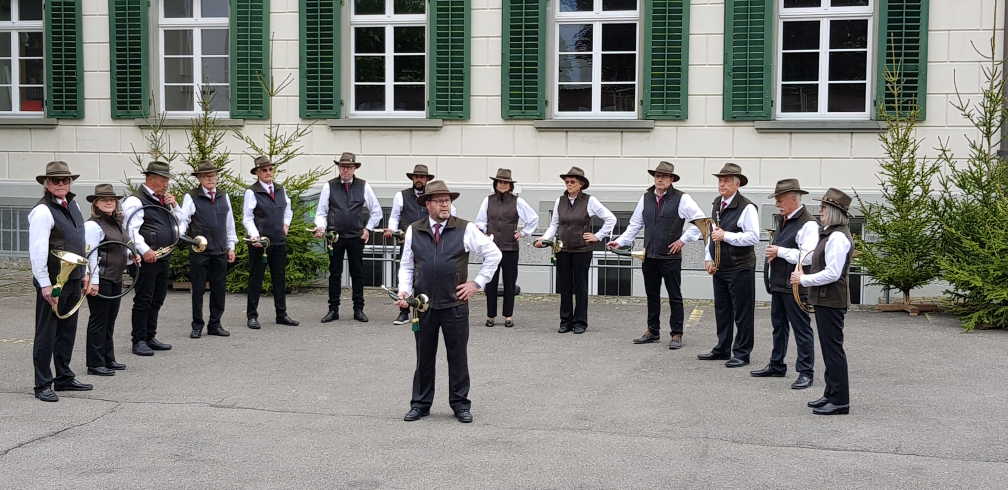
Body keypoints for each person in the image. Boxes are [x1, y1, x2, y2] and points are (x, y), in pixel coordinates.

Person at [396, 181, 502, 423]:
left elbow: (494, 253)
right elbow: (407, 265)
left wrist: (477, 284)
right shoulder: (415, 229)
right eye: (439, 201)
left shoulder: (464, 228)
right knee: (424, 357)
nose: (445, 204)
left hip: (455, 305)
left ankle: (460, 404)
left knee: (457, 356)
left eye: (447, 200)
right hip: (422, 306)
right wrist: (404, 291)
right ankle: (420, 404)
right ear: (428, 205)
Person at [606, 161, 705, 349]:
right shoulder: (646, 198)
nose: (660, 179)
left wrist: (683, 240)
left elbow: (700, 223)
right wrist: (620, 241)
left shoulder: (682, 199)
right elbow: (635, 224)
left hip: (670, 256)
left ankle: (676, 334)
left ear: (671, 179)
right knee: (652, 294)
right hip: (649, 255)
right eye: (657, 176)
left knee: (674, 296)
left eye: (664, 176)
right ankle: (653, 330)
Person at [27, 161, 93, 402]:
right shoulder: (42, 211)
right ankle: (42, 383)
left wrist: (85, 274)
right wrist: (45, 283)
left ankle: (64, 377)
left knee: (67, 331)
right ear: (47, 183)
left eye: (65, 180)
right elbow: (37, 251)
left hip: (74, 278)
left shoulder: (73, 205)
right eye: (56, 180)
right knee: (47, 332)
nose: (62, 184)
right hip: (54, 281)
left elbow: (79, 241)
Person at [792, 188, 856, 416]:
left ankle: (839, 400)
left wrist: (804, 278)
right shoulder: (830, 233)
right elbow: (817, 260)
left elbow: (833, 273)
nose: (819, 211)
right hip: (825, 299)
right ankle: (831, 393)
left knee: (833, 350)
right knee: (829, 350)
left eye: (823, 208)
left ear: (833, 212)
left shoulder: (838, 236)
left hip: (832, 300)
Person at [751, 179, 819, 389]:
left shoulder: (808, 223)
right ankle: (777, 364)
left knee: (801, 329)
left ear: (793, 199)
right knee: (778, 327)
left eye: (780, 200)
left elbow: (808, 257)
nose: (777, 204)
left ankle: (806, 371)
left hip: (797, 285)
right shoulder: (785, 220)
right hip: (780, 282)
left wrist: (779, 252)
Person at [536, 167, 616, 334]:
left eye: (573, 182)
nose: (569, 184)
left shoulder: (589, 201)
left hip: (582, 249)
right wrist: (544, 239)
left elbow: (610, 218)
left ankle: (580, 321)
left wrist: (598, 236)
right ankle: (565, 321)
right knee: (565, 285)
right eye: (567, 182)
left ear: (580, 184)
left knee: (580, 285)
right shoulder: (560, 201)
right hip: (562, 249)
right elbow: (554, 224)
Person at [698, 163, 759, 368]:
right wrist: (709, 258)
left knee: (742, 312)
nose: (721, 184)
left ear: (737, 184)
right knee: (722, 310)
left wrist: (727, 236)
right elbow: (710, 233)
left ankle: (742, 353)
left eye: (726, 181)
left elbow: (753, 237)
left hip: (741, 266)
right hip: (720, 266)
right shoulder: (717, 203)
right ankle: (723, 347)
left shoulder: (747, 207)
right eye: (720, 181)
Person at [314, 152, 383, 323]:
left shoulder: (363, 186)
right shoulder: (329, 186)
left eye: (349, 167)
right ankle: (333, 309)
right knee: (335, 273)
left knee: (357, 273)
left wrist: (368, 229)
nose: (345, 170)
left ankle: (358, 309)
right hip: (335, 236)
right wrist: (321, 227)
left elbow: (377, 211)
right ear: (339, 168)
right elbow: (321, 211)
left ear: (354, 169)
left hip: (355, 236)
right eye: (343, 167)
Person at [386, 164, 456, 325]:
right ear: (412, 178)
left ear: (427, 179)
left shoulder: (433, 197)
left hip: (429, 241)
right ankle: (404, 311)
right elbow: (395, 216)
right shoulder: (401, 195)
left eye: (422, 177)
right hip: (409, 240)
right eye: (416, 177)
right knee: (406, 272)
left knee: (425, 274)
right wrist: (392, 229)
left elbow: (452, 212)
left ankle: (426, 308)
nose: (419, 180)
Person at [123, 161, 181, 356]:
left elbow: (180, 224)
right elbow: (130, 230)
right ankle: (138, 339)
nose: (165, 184)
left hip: (162, 257)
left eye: (167, 180)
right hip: (145, 259)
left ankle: (150, 336)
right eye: (162, 180)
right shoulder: (136, 200)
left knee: (157, 298)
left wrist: (175, 205)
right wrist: (145, 250)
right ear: (150, 179)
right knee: (144, 299)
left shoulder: (163, 200)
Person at [177, 161, 238, 339]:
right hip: (200, 251)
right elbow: (184, 220)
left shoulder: (223, 196)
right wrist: (180, 235)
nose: (211, 179)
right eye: (206, 176)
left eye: (213, 175)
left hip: (219, 249)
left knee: (219, 289)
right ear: (199, 179)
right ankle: (197, 325)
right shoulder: (192, 196)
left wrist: (231, 245)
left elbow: (229, 223)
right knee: (198, 289)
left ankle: (215, 324)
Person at [83, 184, 138, 376]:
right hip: (102, 278)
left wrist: (132, 256)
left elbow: (124, 244)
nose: (109, 203)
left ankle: (108, 358)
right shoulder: (92, 225)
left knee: (109, 320)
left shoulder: (117, 223)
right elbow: (90, 254)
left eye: (112, 200)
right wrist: (93, 281)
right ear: (96, 203)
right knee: (99, 320)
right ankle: (95, 363)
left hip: (115, 278)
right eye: (104, 200)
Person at [474, 168, 539, 328]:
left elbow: (533, 219)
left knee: (510, 283)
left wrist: (523, 233)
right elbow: (481, 220)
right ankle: (491, 316)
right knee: (491, 283)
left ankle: (508, 316)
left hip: (510, 248)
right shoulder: (487, 200)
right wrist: (481, 230)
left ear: (510, 186)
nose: (502, 185)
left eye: (506, 183)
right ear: (496, 184)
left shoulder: (518, 201)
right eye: (500, 182)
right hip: (491, 248)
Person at [244, 156, 299, 329]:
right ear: (258, 173)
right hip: (261, 243)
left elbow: (288, 210)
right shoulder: (252, 192)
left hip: (279, 241)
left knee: (279, 278)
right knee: (256, 278)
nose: (268, 173)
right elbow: (247, 218)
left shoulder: (281, 190)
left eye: (270, 170)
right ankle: (252, 315)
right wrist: (255, 236)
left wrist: (286, 225)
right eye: (264, 170)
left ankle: (281, 314)